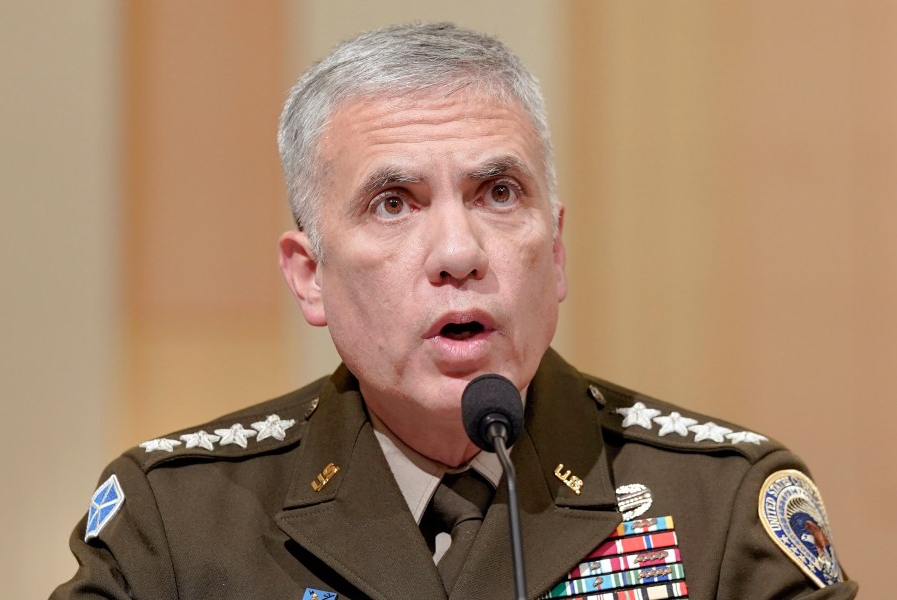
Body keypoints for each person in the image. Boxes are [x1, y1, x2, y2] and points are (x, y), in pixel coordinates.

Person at [52, 22, 857, 600]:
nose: (458, 252)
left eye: (498, 193)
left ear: (558, 250)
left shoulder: (720, 509)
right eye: (393, 203)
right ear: (309, 277)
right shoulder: (179, 523)